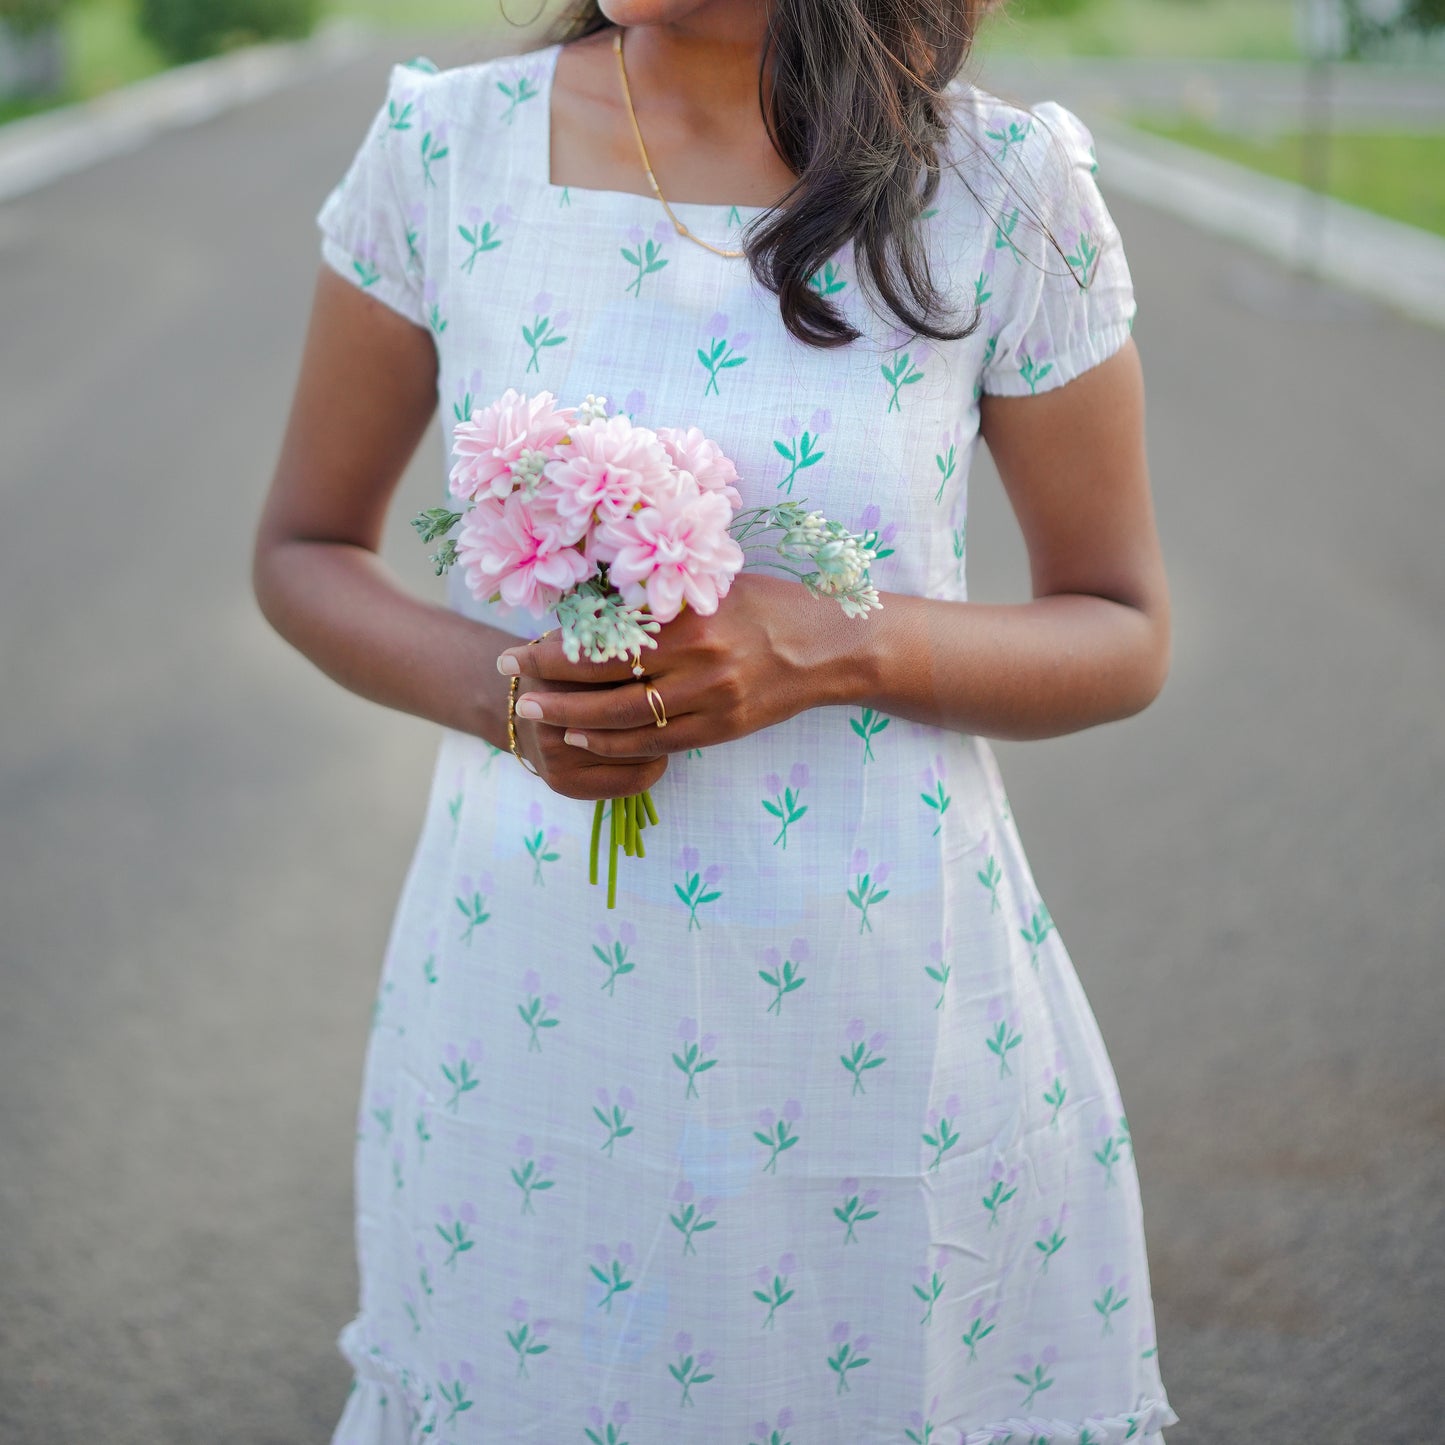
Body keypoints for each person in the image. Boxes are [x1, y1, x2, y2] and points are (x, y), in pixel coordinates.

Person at [251, 1, 1179, 1440]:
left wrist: (841, 647)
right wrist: (507, 698)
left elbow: (1120, 632)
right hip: (532, 1010)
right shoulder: (445, 150)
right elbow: (304, 549)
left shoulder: (999, 189)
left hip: (885, 1019)